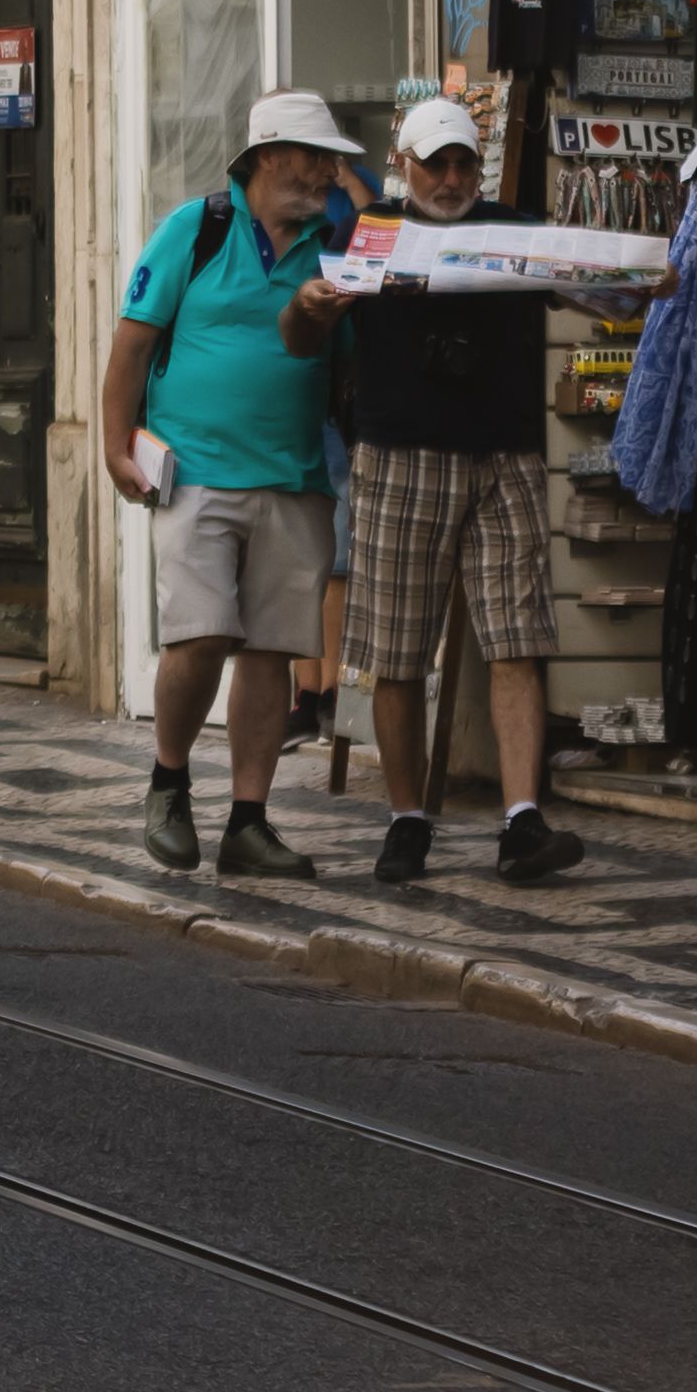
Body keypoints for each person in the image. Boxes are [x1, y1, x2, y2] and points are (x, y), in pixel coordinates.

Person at [287, 96, 590, 884]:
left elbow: (595, 289)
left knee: (516, 638)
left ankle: (522, 821)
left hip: (505, 457)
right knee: (394, 652)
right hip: (398, 458)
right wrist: (308, 306)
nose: (451, 177)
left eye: (461, 161)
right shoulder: (368, 232)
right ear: (405, 164)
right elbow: (298, 331)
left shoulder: (514, 229)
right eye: (436, 163)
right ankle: (405, 818)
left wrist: (639, 282)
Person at [98, 90, 359, 878]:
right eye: (310, 154)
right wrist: (114, 445)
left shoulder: (335, 240)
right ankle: (168, 778)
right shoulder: (196, 228)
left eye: (328, 157)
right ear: (263, 156)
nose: (322, 170)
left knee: (270, 650)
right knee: (202, 633)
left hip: (294, 472)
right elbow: (133, 345)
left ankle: (248, 820)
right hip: (195, 471)